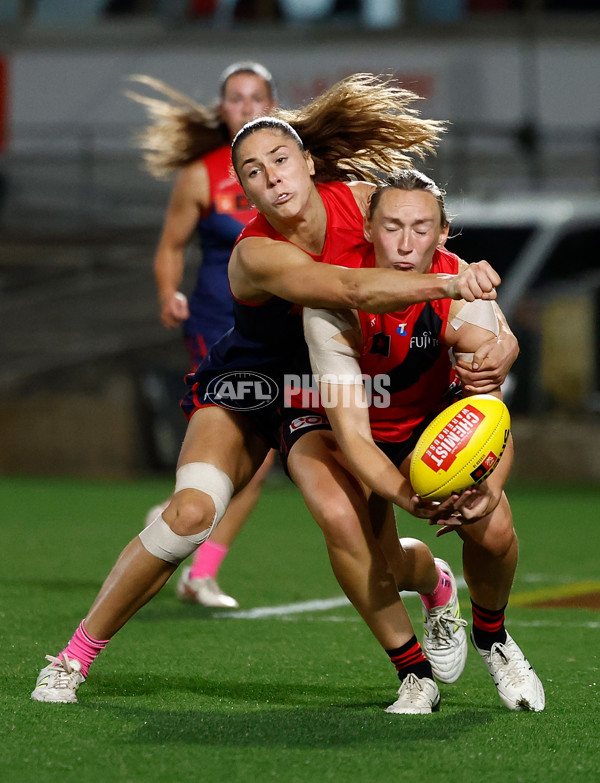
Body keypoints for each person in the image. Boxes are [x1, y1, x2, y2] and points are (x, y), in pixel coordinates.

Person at [31, 74, 514, 710]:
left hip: (343, 382)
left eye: (281, 160)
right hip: (257, 384)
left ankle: (434, 585)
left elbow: (431, 253)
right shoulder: (256, 251)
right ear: (245, 188)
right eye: (253, 172)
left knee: (382, 557)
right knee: (188, 517)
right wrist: (454, 291)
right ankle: (73, 657)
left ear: (309, 162)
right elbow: (348, 291)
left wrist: (498, 340)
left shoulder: (365, 202)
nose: (272, 178)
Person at [302, 168, 545, 711]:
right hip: (350, 434)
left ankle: (493, 636)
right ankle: (436, 584)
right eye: (392, 226)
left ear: (442, 232)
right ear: (368, 227)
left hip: (424, 425)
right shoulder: (334, 296)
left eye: (420, 227)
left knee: (494, 524)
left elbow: (489, 409)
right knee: (377, 566)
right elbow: (353, 435)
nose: (406, 243)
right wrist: (410, 497)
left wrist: (488, 488)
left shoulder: (457, 283)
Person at [129, 62, 278, 608]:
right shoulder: (202, 174)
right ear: (222, 110)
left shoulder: (290, 172)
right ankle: (199, 569)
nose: (245, 106)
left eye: (255, 97)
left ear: (273, 106)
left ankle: (194, 553)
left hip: (278, 334)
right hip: (218, 329)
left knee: (258, 461)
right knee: (248, 454)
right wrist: (169, 292)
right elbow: (171, 245)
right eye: (235, 99)